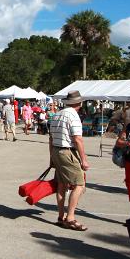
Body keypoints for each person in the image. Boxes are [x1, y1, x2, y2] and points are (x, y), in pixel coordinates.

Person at [48, 91, 90, 230]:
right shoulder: (73, 115)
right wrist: (84, 159)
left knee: (61, 184)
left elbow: (51, 138)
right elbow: (77, 139)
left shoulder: (57, 115)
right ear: (80, 103)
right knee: (79, 184)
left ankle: (61, 217)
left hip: (56, 150)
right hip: (67, 151)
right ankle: (70, 218)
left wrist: (52, 158)